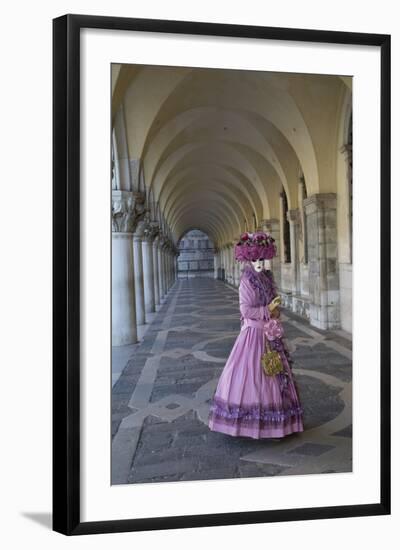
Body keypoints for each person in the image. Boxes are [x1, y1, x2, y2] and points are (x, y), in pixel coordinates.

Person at [208, 231, 304, 439]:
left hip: (269, 333)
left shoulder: (266, 278)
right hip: (253, 336)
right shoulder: (247, 281)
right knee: (253, 378)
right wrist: (267, 309)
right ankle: (251, 423)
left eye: (262, 258)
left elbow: (270, 303)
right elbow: (246, 311)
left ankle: (278, 423)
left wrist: (275, 307)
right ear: (248, 259)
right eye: (254, 259)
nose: (259, 263)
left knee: (274, 375)